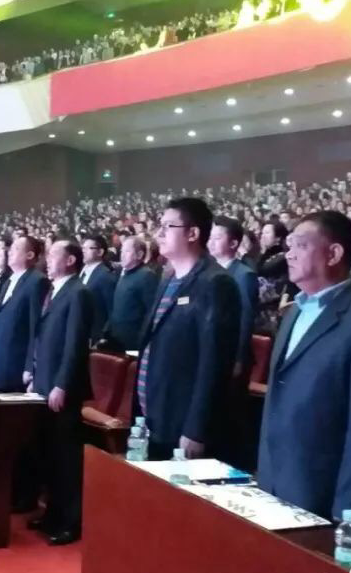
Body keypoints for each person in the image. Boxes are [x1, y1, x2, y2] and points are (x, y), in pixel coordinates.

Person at [258, 211, 351, 525]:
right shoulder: (293, 313)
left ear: (334, 253)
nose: (289, 254)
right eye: (289, 245)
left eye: (300, 245)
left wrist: (349, 512)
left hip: (322, 494)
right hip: (274, 481)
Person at [134, 197, 240, 461]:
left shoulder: (215, 283)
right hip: (154, 413)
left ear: (193, 233)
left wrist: (196, 429)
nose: (158, 234)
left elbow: (214, 363)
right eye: (159, 226)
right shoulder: (168, 277)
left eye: (168, 226)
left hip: (182, 424)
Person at [25, 240, 94, 546]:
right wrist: (35, 374)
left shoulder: (79, 292)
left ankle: (70, 522)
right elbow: (43, 338)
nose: (48, 259)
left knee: (67, 458)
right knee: (49, 454)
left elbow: (75, 343)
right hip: (44, 382)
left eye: (54, 254)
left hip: (62, 388)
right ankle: (52, 515)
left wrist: (62, 384)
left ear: (70, 260)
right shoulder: (55, 290)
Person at [0, 236, 50, 392]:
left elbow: (36, 327)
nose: (9, 252)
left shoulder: (37, 281)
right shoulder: (9, 280)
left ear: (30, 255)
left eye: (16, 249)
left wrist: (30, 366)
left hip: (18, 363)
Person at [207, 215, 257, 378]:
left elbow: (245, 319)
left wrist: (239, 359)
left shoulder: (244, 275)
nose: (211, 242)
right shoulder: (207, 271)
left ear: (233, 243)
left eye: (217, 238)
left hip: (229, 354)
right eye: (210, 237)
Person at [102, 236, 158, 351]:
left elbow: (151, 312)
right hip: (116, 339)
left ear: (139, 255)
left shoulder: (146, 276)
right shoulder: (124, 274)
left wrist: (143, 339)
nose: (122, 255)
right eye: (122, 251)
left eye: (127, 251)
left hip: (134, 342)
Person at [80, 235, 116, 343]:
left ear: (100, 252)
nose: (83, 251)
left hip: (96, 336)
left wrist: (104, 336)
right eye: (83, 248)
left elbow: (112, 309)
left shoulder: (105, 276)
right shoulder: (82, 272)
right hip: (83, 332)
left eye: (88, 248)